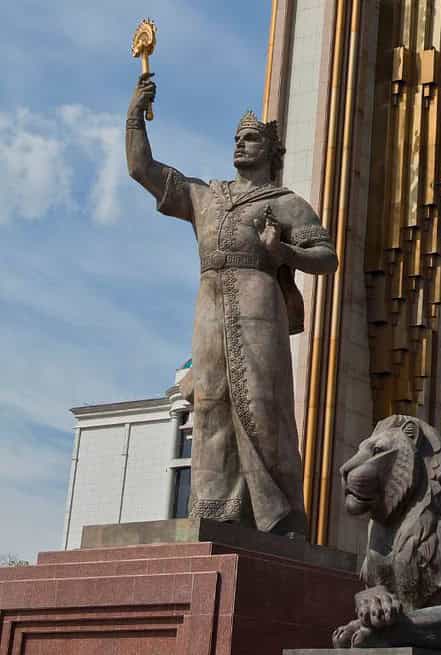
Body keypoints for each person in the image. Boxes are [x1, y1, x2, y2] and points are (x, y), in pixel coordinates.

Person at [126, 73, 337, 537]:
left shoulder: (285, 203)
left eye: (251, 139)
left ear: (270, 151)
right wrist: (135, 116)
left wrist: (283, 251)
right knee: (211, 402)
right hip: (210, 300)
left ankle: (277, 514)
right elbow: (144, 170)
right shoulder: (205, 196)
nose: (241, 145)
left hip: (260, 296)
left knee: (262, 403)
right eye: (237, 139)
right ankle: (216, 509)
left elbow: (326, 258)